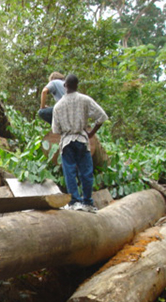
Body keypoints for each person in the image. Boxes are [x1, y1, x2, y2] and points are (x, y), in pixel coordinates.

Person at [52, 74, 108, 213]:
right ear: (77, 85)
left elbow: (56, 129)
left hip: (66, 142)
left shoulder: (58, 105)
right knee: (86, 172)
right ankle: (88, 202)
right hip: (82, 140)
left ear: (65, 86)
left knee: (69, 172)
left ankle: (74, 202)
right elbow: (102, 116)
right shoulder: (85, 100)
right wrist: (91, 133)